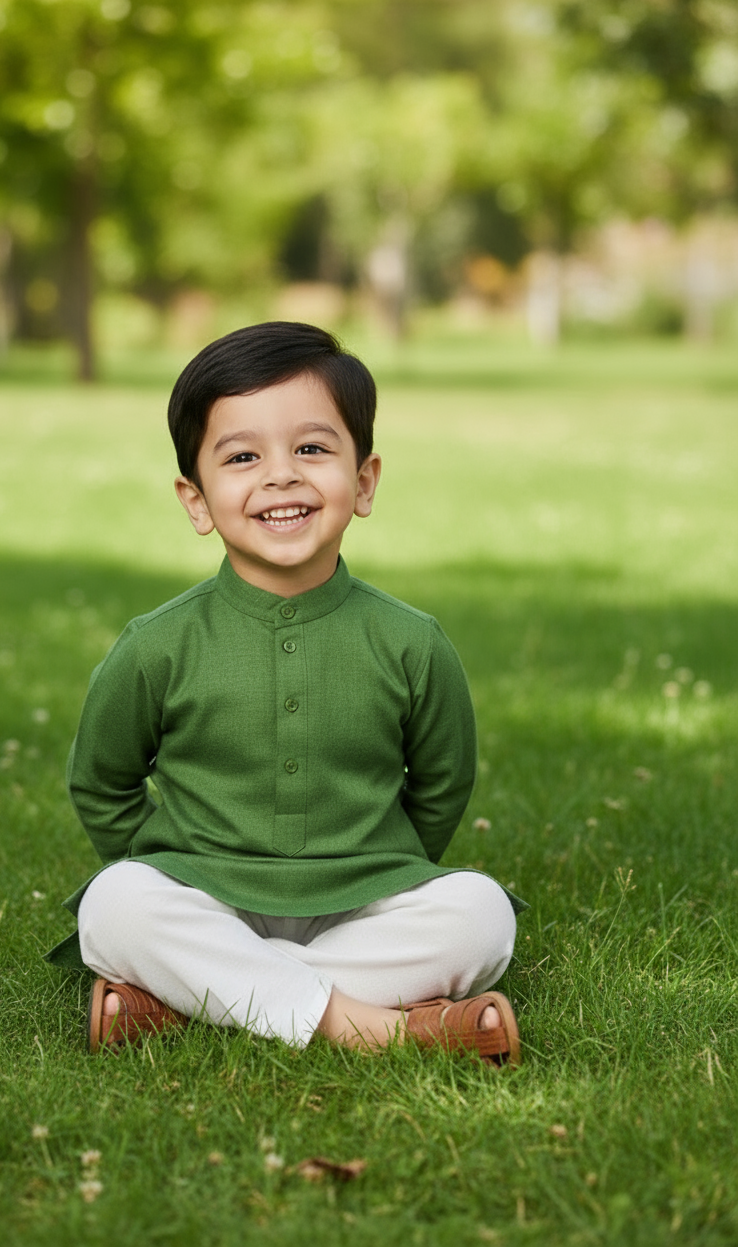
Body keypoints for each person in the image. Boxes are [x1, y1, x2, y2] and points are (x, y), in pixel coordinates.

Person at [46, 321, 525, 1064]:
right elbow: (101, 783)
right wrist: (168, 862)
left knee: (482, 915)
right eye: (242, 457)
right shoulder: (157, 644)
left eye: (311, 448)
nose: (281, 476)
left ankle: (185, 1000)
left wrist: (385, 866)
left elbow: (441, 784)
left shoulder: (412, 641)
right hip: (206, 895)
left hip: (364, 899)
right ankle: (375, 1026)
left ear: (362, 482)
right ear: (197, 499)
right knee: (116, 905)